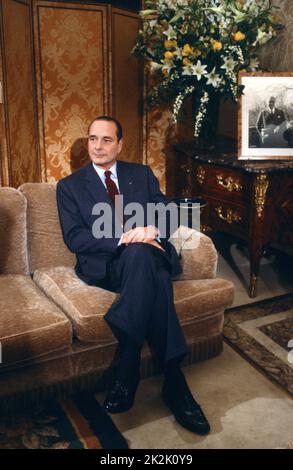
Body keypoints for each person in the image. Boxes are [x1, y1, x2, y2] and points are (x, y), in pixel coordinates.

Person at [56, 116, 210, 436]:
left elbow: (168, 212)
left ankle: (128, 370)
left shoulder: (140, 174)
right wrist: (125, 238)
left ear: (120, 144)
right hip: (107, 265)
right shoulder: (69, 187)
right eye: (92, 139)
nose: (97, 146)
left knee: (144, 258)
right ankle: (175, 385)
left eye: (106, 140)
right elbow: (76, 238)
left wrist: (152, 228)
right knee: (148, 266)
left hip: (145, 257)